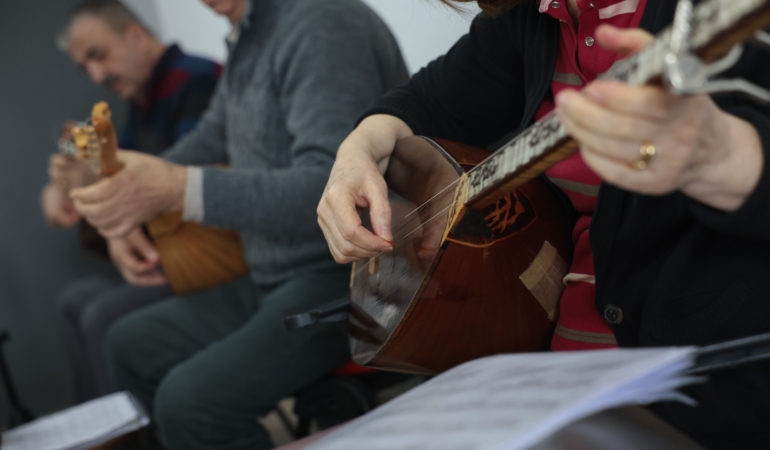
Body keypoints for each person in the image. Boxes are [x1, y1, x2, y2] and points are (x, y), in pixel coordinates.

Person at [316, 0, 770, 447]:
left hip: (713, 392)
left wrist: (724, 157)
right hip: (563, 383)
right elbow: (423, 104)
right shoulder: (537, 15)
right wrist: (356, 153)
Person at [70, 0, 409, 448]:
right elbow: (209, 139)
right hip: (274, 277)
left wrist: (173, 189)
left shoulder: (323, 23)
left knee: (190, 404)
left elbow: (325, 187)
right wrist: (132, 201)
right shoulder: (251, 34)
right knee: (129, 342)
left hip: (347, 277)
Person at [42, 0, 221, 403]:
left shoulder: (195, 80)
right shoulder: (142, 105)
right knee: (75, 301)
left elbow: (182, 179)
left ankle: (129, 438)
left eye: (98, 56)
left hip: (208, 259)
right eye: (85, 67)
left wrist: (92, 177)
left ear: (137, 36)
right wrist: (59, 186)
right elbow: (90, 152)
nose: (96, 74)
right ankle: (105, 431)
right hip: (170, 258)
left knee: (101, 315)